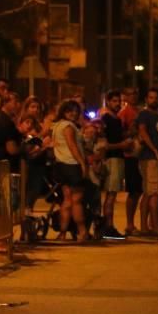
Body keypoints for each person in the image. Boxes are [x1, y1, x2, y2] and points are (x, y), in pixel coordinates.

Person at [52, 100, 88, 241]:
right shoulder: (68, 127)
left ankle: (62, 233)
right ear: (63, 112)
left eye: (75, 111)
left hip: (61, 165)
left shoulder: (57, 126)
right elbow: (73, 146)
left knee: (66, 200)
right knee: (77, 200)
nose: (73, 113)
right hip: (72, 165)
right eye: (69, 111)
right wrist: (82, 163)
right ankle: (82, 231)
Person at [99, 90, 130, 238]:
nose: (117, 104)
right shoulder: (106, 118)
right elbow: (105, 144)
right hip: (112, 159)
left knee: (113, 194)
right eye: (114, 101)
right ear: (108, 101)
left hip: (118, 158)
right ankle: (107, 227)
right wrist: (122, 145)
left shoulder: (116, 119)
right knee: (110, 195)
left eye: (119, 101)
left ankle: (108, 226)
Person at [136, 88, 158, 236]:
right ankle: (148, 227)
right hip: (149, 157)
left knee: (154, 193)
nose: (154, 100)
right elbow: (142, 131)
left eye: (156, 97)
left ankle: (152, 226)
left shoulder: (157, 115)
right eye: (151, 97)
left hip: (157, 157)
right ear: (146, 99)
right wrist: (154, 149)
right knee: (150, 192)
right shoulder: (144, 114)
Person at [119, 88, 142, 235]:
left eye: (135, 93)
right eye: (130, 94)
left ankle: (134, 223)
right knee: (133, 191)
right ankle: (129, 224)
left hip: (140, 154)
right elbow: (120, 133)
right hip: (130, 155)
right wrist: (131, 132)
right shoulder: (124, 113)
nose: (133, 96)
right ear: (125, 97)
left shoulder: (139, 111)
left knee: (139, 191)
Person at [0, 91, 22, 173]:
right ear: (5, 102)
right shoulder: (6, 122)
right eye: (15, 102)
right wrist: (22, 148)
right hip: (3, 166)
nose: (18, 105)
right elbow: (11, 149)